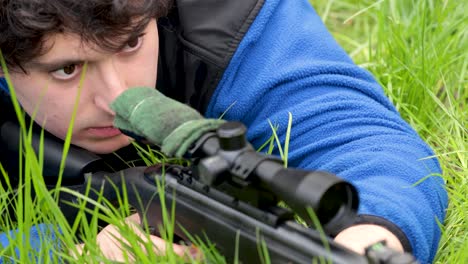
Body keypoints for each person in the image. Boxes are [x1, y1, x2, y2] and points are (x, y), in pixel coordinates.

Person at [0, 0, 447, 263]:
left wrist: (371, 232)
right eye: (66, 69)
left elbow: (362, 136)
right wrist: (60, 249)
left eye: (132, 42)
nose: (117, 97)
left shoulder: (229, 17)